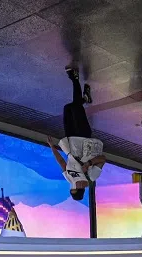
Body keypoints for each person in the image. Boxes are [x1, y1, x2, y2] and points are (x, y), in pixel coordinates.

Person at [47, 68, 106, 201]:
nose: (74, 184)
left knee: (68, 108)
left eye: (72, 187)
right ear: (81, 189)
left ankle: (84, 98)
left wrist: (52, 147)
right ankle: (74, 78)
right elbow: (103, 159)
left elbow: (61, 162)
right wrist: (89, 163)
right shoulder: (92, 176)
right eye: (76, 187)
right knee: (75, 108)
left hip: (70, 139)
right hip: (84, 138)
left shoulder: (69, 178)